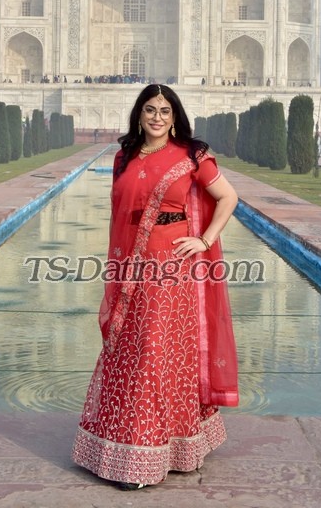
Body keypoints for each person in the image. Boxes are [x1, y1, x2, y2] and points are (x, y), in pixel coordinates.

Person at [72, 84, 239, 490]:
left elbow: (228, 197)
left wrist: (204, 240)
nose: (157, 118)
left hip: (171, 267)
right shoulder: (124, 156)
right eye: (150, 110)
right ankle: (122, 445)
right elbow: (119, 214)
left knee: (154, 351)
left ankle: (144, 456)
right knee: (128, 349)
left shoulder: (192, 156)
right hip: (131, 263)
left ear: (174, 115)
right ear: (139, 114)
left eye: (165, 111)